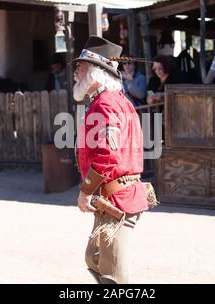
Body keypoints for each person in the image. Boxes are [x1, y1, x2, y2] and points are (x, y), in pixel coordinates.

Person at [72, 36, 149, 284]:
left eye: (81, 67)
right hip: (111, 197)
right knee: (93, 258)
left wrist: (85, 191)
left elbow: (109, 154)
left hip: (117, 199)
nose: (76, 72)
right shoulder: (111, 101)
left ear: (95, 73)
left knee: (113, 277)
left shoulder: (106, 103)